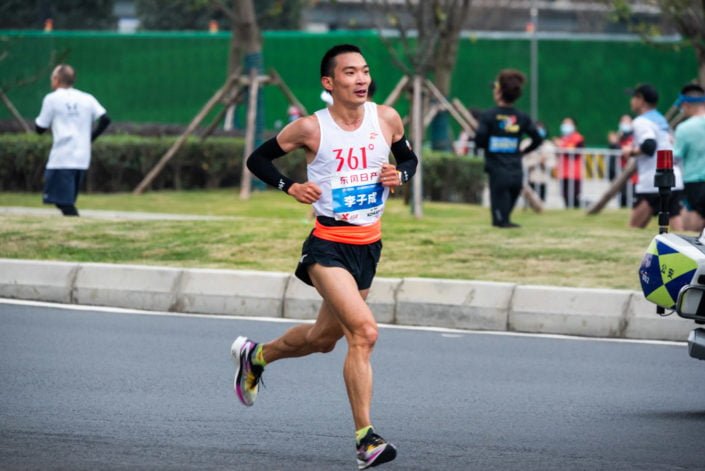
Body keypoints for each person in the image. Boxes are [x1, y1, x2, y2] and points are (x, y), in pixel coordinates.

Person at [231, 44, 418, 470]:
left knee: (322, 340)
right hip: (327, 245)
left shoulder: (386, 118)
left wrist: (400, 174)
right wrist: (290, 186)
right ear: (329, 83)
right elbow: (257, 159)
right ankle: (366, 440)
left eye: (365, 71)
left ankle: (256, 357)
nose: (361, 79)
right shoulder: (310, 129)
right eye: (350, 72)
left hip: (369, 247)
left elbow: (408, 158)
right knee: (364, 334)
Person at [34, 64, 110, 217]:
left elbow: (40, 128)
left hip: (62, 157)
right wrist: (90, 138)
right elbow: (105, 119)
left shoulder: (52, 99)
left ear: (56, 79)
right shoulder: (87, 98)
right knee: (65, 199)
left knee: (62, 201)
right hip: (82, 157)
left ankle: (76, 223)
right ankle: (72, 223)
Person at [474, 69, 543, 228]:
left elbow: (479, 141)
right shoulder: (522, 117)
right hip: (516, 171)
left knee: (500, 222)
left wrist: (489, 147)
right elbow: (537, 139)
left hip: (497, 171)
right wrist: (522, 152)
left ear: (498, 93)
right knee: (504, 220)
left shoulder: (489, 116)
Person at [625, 83, 684, 229]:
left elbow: (649, 146)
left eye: (634, 97)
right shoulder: (661, 120)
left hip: (653, 181)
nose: (631, 101)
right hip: (673, 177)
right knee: (678, 228)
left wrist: (630, 152)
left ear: (641, 100)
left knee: (633, 228)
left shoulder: (641, 122)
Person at [673, 83, 705, 232]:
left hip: (696, 184)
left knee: (692, 237)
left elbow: (675, 156)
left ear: (686, 105)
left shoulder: (684, 128)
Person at [554, 117, 584, 208]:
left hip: (574, 173)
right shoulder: (562, 138)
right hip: (563, 172)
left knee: (574, 196)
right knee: (565, 195)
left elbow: (575, 153)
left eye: (568, 123)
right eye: (564, 123)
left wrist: (561, 146)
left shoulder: (578, 138)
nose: (566, 126)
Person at [522, 120, 555, 202]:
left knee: (541, 201)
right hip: (528, 178)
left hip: (542, 178)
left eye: (541, 129)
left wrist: (544, 163)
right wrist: (536, 162)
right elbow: (522, 161)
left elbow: (552, 163)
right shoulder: (526, 143)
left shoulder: (548, 145)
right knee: (529, 201)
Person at [607, 114, 636, 208]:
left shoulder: (635, 137)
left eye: (628, 121)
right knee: (622, 200)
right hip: (620, 174)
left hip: (633, 176)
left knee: (632, 200)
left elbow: (628, 151)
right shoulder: (618, 138)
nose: (625, 124)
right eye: (623, 121)